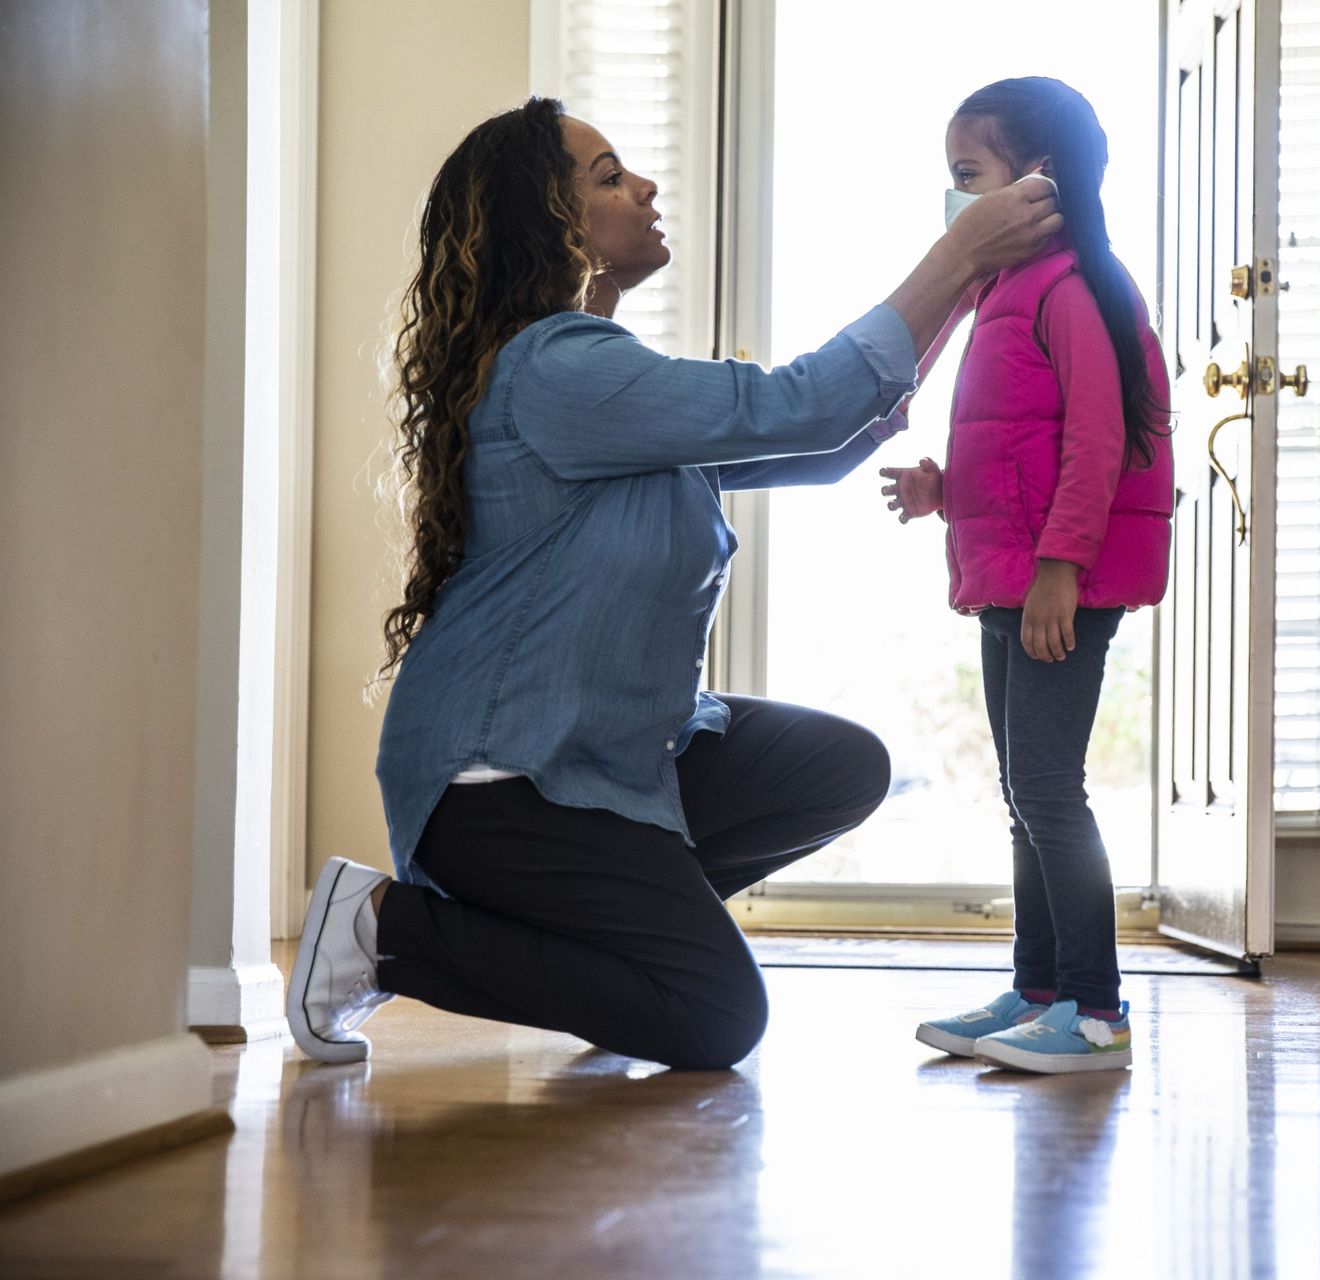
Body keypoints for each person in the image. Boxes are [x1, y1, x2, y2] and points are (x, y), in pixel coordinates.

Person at [284, 96, 1062, 1068]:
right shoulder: (556, 370)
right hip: (498, 783)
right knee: (714, 1015)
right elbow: (803, 402)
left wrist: (970, 273)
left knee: (839, 766)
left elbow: (828, 436)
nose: (645, 188)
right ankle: (377, 927)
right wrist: (958, 256)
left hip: (603, 755)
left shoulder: (608, 386)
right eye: (608, 176)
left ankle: (612, 955)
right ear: (548, 221)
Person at [883, 78, 1173, 1074]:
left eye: (967, 175)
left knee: (1050, 787)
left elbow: (1097, 442)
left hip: (1058, 581)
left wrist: (1060, 566)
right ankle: (1038, 987)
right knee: (1024, 790)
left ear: (1036, 180)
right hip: (1010, 572)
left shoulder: (1071, 284)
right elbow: (1022, 446)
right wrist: (941, 487)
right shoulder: (1003, 291)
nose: (956, 198)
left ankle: (1096, 1010)